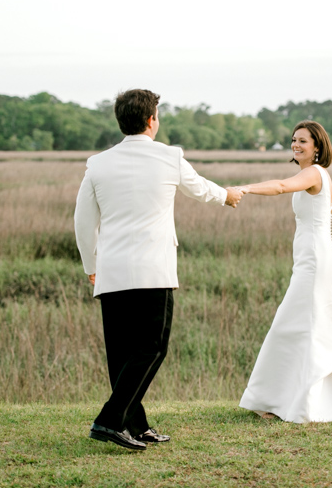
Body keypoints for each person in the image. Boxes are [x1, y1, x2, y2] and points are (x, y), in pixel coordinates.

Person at [74, 89, 243, 450]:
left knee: (121, 354)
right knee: (152, 347)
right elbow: (199, 189)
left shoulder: (97, 163)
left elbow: (83, 221)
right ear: (152, 120)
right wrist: (227, 195)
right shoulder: (169, 156)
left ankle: (135, 425)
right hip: (153, 269)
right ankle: (109, 421)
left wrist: (91, 263)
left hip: (112, 270)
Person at [237, 120, 332, 423]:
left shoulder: (313, 173)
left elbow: (281, 187)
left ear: (317, 146)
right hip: (311, 258)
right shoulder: (318, 175)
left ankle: (283, 402)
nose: (296, 145)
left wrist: (245, 188)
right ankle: (290, 399)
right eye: (293, 140)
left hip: (314, 261)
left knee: (294, 323)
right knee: (308, 325)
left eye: (303, 141)